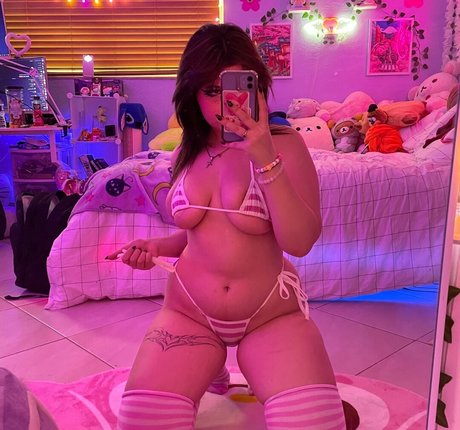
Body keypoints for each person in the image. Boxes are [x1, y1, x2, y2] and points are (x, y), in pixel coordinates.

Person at [108, 23, 347, 430]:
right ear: (192, 92)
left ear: (256, 86)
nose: (225, 103)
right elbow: (202, 232)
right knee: (142, 421)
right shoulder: (185, 151)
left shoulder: (285, 144)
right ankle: (206, 365)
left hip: (269, 315)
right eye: (210, 90)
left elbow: (300, 241)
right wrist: (157, 246)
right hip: (188, 312)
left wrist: (265, 158)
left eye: (235, 87)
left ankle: (218, 367)